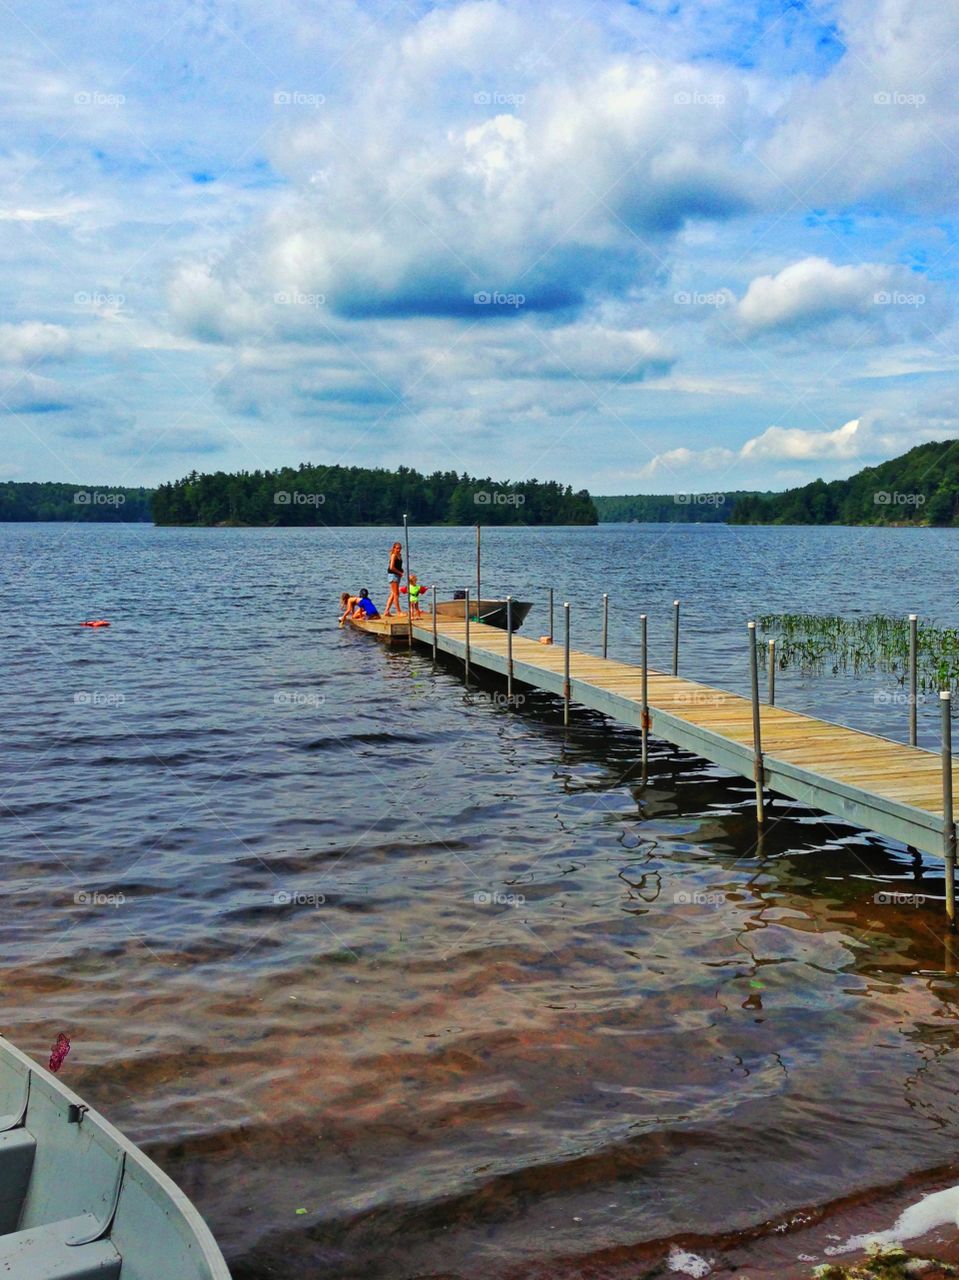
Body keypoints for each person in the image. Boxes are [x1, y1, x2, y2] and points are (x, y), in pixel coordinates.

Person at [384, 541, 403, 616]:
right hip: (393, 575)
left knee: (392, 594)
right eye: (397, 548)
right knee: (396, 594)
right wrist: (399, 572)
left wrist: (401, 571)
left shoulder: (399, 555)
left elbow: (398, 565)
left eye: (400, 548)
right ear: (394, 548)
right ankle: (398, 611)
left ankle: (386, 611)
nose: (399, 550)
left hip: (397, 575)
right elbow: (391, 567)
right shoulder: (393, 555)